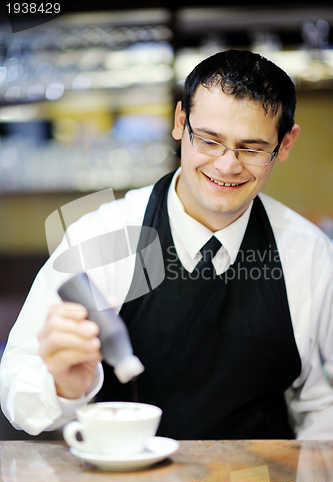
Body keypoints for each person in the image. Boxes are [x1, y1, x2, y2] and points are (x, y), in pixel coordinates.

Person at [1, 49, 333, 439]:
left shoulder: (308, 253)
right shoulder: (107, 236)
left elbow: (322, 405)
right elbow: (15, 387)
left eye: (253, 148)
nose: (227, 165)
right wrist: (62, 385)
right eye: (209, 141)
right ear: (180, 123)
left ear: (286, 143)